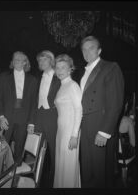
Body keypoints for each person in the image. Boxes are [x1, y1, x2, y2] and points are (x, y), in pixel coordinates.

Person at [79, 36, 125, 187]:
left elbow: (115, 102)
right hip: (84, 125)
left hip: (100, 124)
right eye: (84, 49)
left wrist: (105, 131)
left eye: (91, 48)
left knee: (100, 172)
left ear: (99, 50)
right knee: (86, 168)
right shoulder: (83, 73)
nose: (87, 52)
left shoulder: (110, 67)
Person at [0, 51, 38, 164]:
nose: (16, 61)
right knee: (2, 146)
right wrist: (1, 117)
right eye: (15, 59)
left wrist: (31, 123)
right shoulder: (4, 77)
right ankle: (0, 171)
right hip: (7, 117)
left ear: (25, 62)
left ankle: (16, 172)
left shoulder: (33, 80)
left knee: (19, 149)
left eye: (20, 59)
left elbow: (34, 103)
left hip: (24, 118)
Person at [27, 50, 61, 187]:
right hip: (39, 116)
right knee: (38, 150)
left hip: (53, 116)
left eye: (44, 60)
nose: (41, 63)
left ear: (51, 61)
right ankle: (37, 179)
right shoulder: (38, 78)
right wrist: (31, 122)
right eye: (39, 61)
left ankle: (55, 180)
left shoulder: (59, 76)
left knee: (54, 150)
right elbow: (34, 102)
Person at [53, 54, 82, 188]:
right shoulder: (62, 86)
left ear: (70, 69)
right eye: (57, 67)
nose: (59, 71)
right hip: (61, 131)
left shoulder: (72, 85)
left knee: (69, 166)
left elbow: (79, 110)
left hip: (70, 132)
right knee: (62, 164)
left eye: (63, 67)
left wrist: (74, 135)